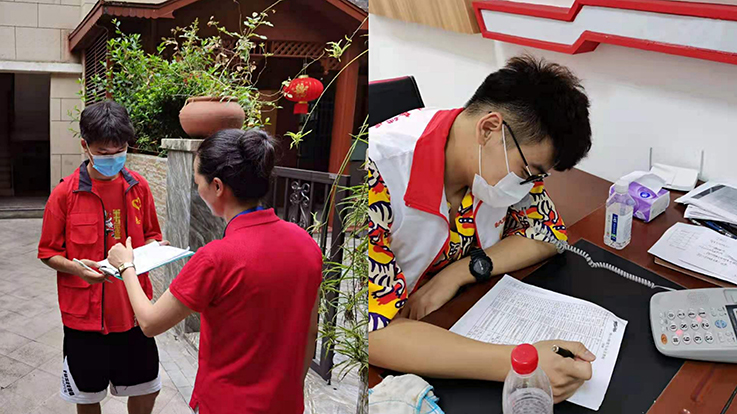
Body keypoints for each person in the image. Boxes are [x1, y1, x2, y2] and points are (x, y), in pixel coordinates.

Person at [367, 56, 596, 403]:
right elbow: (371, 334)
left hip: (451, 313)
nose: (528, 185)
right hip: (396, 352)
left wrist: (461, 272)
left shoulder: (501, 155)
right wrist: (520, 365)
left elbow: (546, 233)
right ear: (488, 129)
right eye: (528, 172)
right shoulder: (376, 176)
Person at [107, 128, 323, 414]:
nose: (198, 189)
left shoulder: (216, 259)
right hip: (285, 404)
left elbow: (149, 323)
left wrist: (126, 265)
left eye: (198, 182)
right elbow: (310, 332)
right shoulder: (306, 244)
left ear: (218, 187)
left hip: (226, 403)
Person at [38, 100, 164, 414]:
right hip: (84, 318)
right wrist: (78, 269)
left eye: (120, 150)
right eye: (104, 152)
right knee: (87, 395)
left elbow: (152, 234)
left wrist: (151, 252)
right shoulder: (65, 194)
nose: (113, 158)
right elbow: (48, 252)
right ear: (85, 146)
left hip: (134, 311)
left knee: (147, 387)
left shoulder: (139, 187)